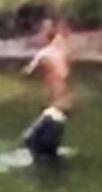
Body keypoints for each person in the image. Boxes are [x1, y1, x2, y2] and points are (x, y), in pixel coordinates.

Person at [20, 16, 74, 161]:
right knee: (46, 150)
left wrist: (31, 69)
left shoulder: (44, 54)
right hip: (64, 107)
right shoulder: (62, 52)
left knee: (29, 139)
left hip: (56, 109)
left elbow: (27, 73)